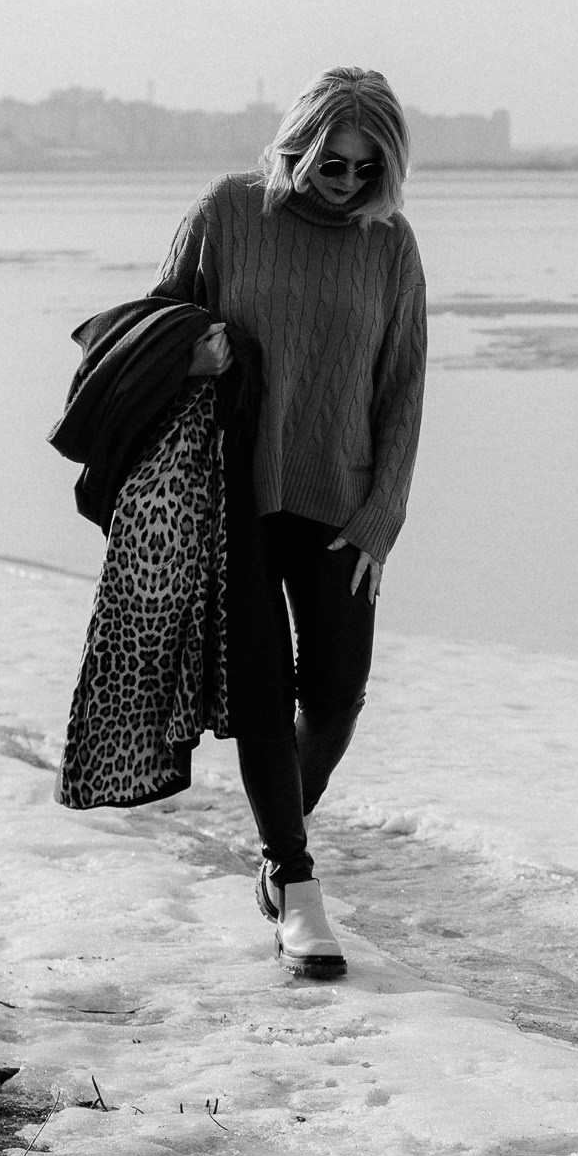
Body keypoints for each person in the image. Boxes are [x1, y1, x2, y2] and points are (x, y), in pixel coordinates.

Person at [154, 67, 427, 978]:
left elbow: (403, 391)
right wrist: (195, 355)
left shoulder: (389, 245)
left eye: (363, 168)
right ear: (300, 146)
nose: (345, 183)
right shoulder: (229, 213)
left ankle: (278, 842)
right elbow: (156, 330)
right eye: (331, 164)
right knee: (264, 695)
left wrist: (382, 517)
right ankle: (296, 883)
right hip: (235, 494)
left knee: (338, 695)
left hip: (341, 501)